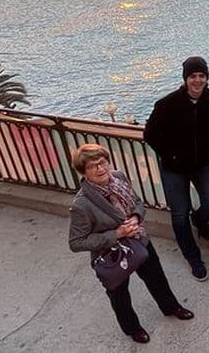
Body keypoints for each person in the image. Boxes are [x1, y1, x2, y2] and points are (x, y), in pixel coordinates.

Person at [68, 144, 194, 344]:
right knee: (119, 295)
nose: (100, 169)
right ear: (84, 172)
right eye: (92, 166)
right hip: (112, 255)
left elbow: (137, 201)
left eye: (102, 162)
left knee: (157, 278)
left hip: (139, 239)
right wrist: (116, 233)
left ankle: (171, 307)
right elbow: (76, 242)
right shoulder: (81, 205)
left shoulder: (118, 177)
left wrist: (136, 217)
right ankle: (132, 328)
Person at [143, 56, 209, 282]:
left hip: (202, 165)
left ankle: (200, 220)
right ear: (185, 79)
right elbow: (150, 135)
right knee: (179, 215)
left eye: (201, 76)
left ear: (207, 78)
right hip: (174, 168)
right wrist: (171, 155)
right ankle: (194, 259)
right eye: (193, 76)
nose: (197, 80)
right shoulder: (167, 104)